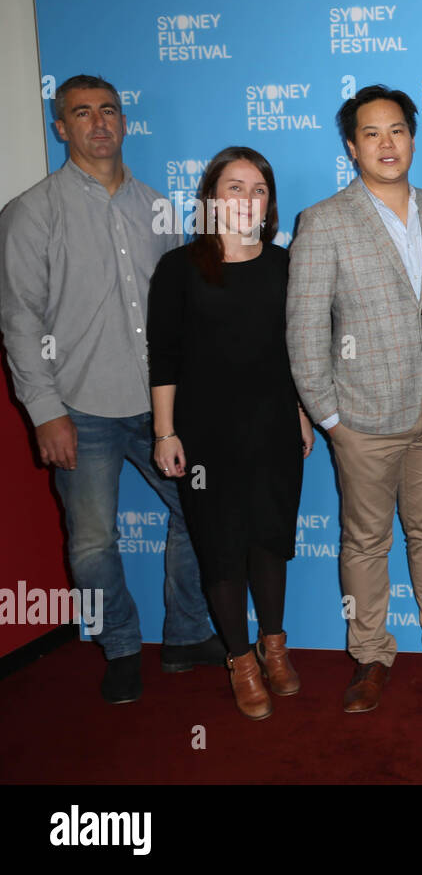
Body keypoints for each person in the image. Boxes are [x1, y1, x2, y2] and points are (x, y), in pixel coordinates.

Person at [0, 74, 222, 704]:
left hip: (159, 409)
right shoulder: (29, 214)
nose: (98, 123)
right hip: (79, 408)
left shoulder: (159, 208)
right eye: (81, 113)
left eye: (109, 111)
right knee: (94, 543)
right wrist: (45, 412)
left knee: (198, 516)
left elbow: (181, 316)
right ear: (60, 127)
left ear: (124, 123)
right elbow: (20, 320)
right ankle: (121, 646)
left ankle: (184, 636)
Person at [287, 84, 422, 714]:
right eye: (372, 133)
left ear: (412, 137)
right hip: (363, 415)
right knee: (365, 541)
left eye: (398, 130)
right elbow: (302, 327)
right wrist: (329, 417)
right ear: (352, 147)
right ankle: (371, 655)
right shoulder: (324, 221)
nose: (386, 143)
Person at [148, 146, 310, 720]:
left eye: (258, 188)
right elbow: (163, 357)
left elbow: (297, 351)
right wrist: (165, 433)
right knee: (220, 546)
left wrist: (302, 412)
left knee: (269, 538)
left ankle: (274, 647)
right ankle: (240, 660)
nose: (247, 198)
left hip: (273, 425)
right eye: (234, 187)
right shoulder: (179, 268)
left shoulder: (286, 265)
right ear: (212, 198)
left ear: (270, 202)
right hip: (204, 434)